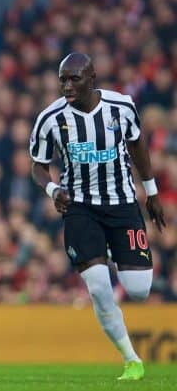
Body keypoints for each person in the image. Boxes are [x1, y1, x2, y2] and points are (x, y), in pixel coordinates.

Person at [30, 53, 166, 381]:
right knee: (100, 289)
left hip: (122, 205)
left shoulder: (121, 107)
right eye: (62, 79)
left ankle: (111, 251)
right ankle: (131, 360)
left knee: (138, 290)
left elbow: (137, 145)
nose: (66, 85)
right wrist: (52, 190)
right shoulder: (50, 119)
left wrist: (152, 191)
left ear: (92, 79)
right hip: (79, 208)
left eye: (73, 79)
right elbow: (37, 165)